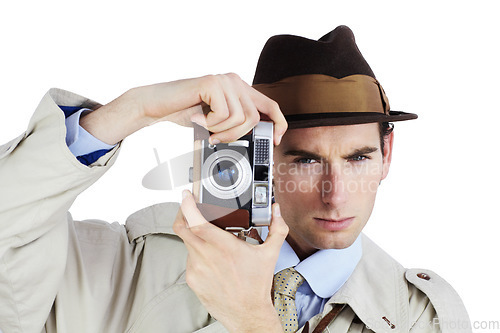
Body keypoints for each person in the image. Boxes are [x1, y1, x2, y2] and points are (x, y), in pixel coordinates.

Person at [0, 26, 470, 333]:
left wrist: (251, 318)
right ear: (257, 158)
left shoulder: (424, 317)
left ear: (387, 153)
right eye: (305, 160)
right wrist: (130, 110)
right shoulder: (132, 267)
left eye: (358, 157)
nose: (336, 194)